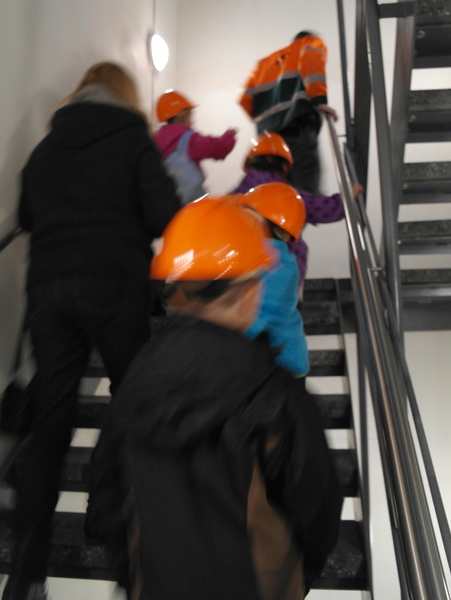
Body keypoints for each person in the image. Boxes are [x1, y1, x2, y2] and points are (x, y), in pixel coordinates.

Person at [86, 196, 342, 600]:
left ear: (175, 296)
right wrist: (293, 581)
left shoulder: (133, 384)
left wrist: (134, 576)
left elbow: (105, 496)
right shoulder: (276, 394)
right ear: (250, 291)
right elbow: (317, 508)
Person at [2, 62, 181, 600]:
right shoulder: (133, 140)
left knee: (50, 423)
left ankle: (26, 575)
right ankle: (133, 566)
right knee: (135, 409)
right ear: (125, 96)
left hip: (50, 291)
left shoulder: (46, 147)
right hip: (115, 284)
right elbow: (165, 216)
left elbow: (28, 214)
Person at [231, 131, 363, 289]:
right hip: (277, 269)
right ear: (279, 163)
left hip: (240, 270)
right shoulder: (281, 191)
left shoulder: (236, 194)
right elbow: (318, 208)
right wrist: (345, 198)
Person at [238, 31, 338, 194]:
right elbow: (311, 59)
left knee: (270, 194)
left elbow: (244, 99)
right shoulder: (308, 43)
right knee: (303, 193)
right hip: (297, 132)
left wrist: (266, 121)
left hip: (269, 144)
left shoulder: (263, 64)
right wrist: (319, 99)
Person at [239, 182, 310, 377]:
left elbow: (262, 315)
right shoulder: (282, 260)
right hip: (285, 359)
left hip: (280, 365)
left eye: (246, 215)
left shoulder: (274, 263)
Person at [153, 89, 237, 203]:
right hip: (191, 204)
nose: (192, 119)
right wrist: (229, 135)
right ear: (182, 115)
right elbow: (217, 148)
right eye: (190, 114)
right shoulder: (189, 139)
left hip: (166, 204)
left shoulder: (154, 141)